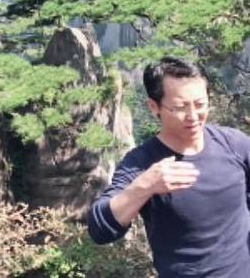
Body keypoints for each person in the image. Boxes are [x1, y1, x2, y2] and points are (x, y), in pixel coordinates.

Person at [88, 56, 250, 277]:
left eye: (200, 104)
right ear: (154, 107)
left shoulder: (234, 144)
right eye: (180, 107)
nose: (193, 116)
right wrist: (145, 186)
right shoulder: (142, 163)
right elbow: (99, 230)